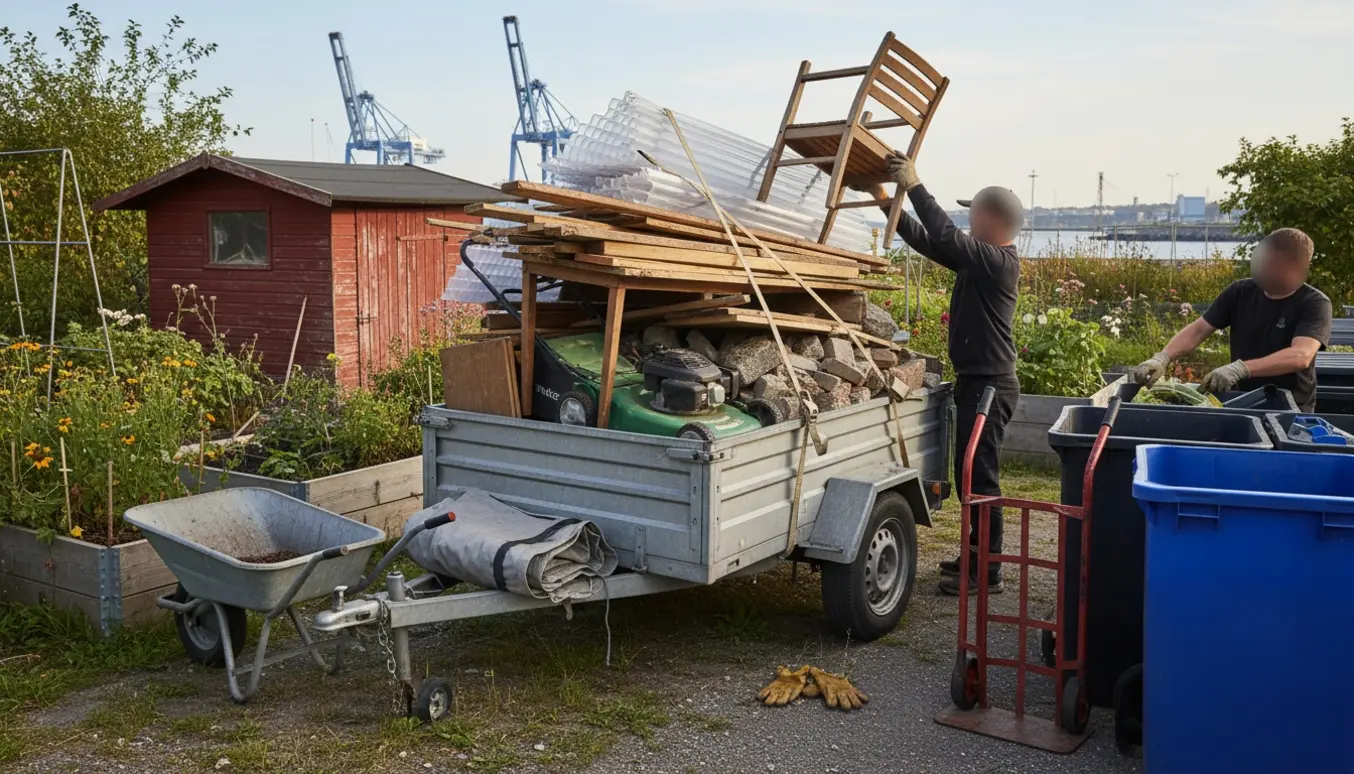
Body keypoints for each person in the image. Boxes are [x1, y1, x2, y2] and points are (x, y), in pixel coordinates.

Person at [859, 153, 1023, 595]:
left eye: (972, 212)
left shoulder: (999, 263)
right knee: (971, 474)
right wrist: (882, 198)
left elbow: (946, 233)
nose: (966, 220)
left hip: (991, 386)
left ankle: (986, 573)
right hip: (979, 383)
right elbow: (930, 240)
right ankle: (975, 556)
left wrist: (914, 185)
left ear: (989, 220)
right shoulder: (978, 261)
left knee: (981, 477)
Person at [1131, 228, 1331, 412]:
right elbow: (1199, 330)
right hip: (1239, 400)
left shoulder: (1314, 303)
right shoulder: (1240, 292)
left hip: (1290, 408)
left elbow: (1301, 355)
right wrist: (1162, 357)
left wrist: (1241, 368)